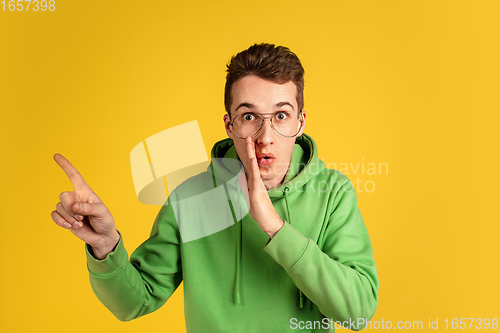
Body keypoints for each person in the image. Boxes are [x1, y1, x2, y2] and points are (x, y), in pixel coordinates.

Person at [51, 43, 379, 332]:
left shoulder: (334, 192)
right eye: (249, 116)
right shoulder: (191, 198)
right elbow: (134, 302)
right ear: (229, 125)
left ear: (300, 122)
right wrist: (106, 248)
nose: (265, 136)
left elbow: (358, 312)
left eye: (281, 115)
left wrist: (274, 226)